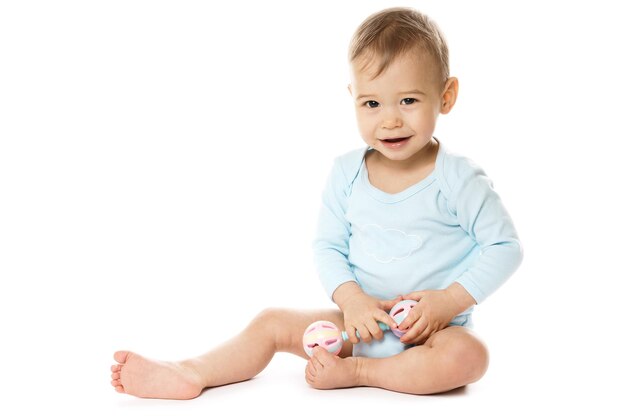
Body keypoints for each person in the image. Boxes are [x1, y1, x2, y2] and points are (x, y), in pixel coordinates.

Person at [110, 7, 522, 398]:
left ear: (446, 96)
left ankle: (360, 373)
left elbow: (505, 247)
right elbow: (328, 246)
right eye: (372, 103)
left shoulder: (457, 178)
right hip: (360, 325)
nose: (390, 119)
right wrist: (353, 302)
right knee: (271, 321)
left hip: (434, 332)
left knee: (469, 356)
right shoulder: (347, 173)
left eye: (409, 101)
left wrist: (447, 302)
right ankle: (191, 371)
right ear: (353, 97)